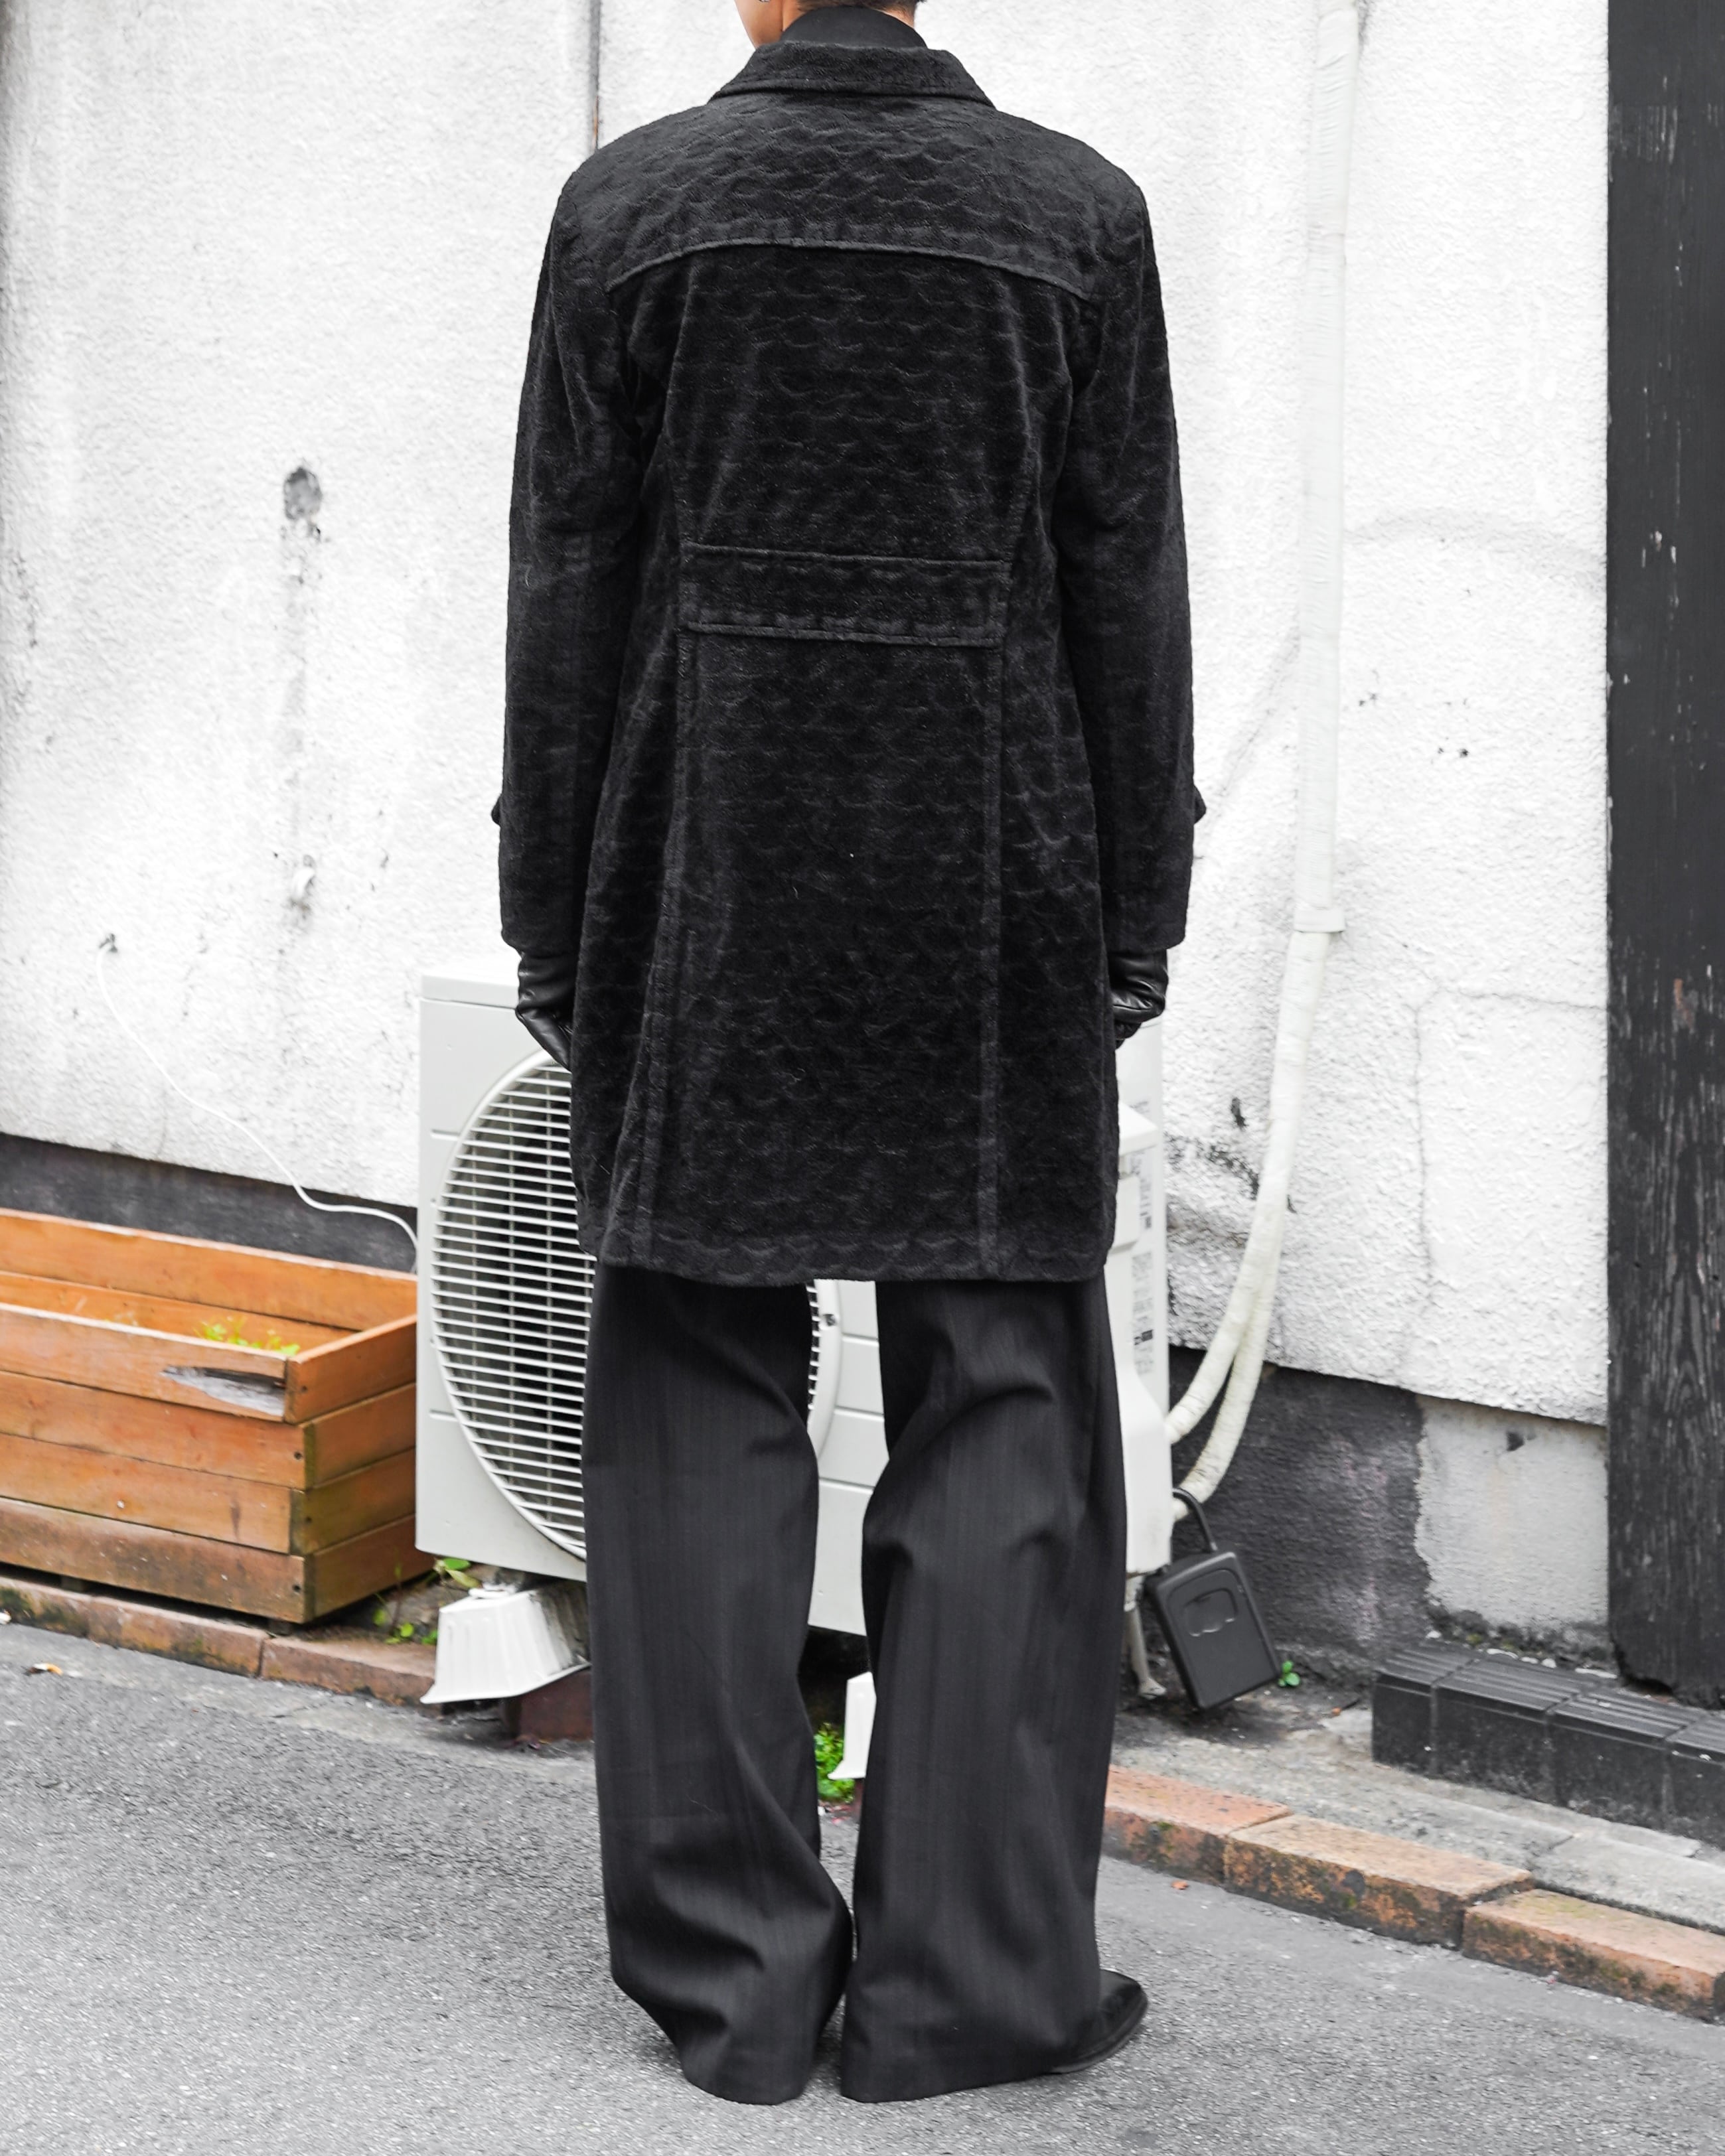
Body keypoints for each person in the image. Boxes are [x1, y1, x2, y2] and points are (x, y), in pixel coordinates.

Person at [496, 0, 1197, 2108]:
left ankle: (736, 1989)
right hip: (993, 864)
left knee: (695, 1376)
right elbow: (1127, 593)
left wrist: (554, 914)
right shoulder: (1076, 218)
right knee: (1001, 1388)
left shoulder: (631, 210)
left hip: (704, 852)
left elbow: (566, 589)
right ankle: (970, 1979)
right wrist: (1135, 913)